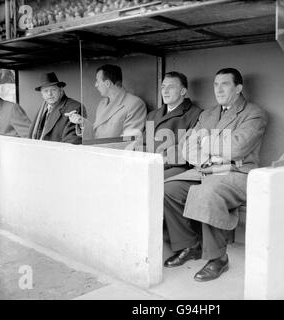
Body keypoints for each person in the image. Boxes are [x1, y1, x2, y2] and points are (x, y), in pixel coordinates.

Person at [163, 68, 268, 282]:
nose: (218, 89)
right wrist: (207, 160)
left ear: (238, 88)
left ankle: (218, 258)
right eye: (215, 84)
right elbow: (185, 146)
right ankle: (189, 245)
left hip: (238, 172)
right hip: (206, 169)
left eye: (225, 84)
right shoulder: (208, 113)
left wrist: (203, 141)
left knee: (207, 193)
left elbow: (237, 148)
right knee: (168, 189)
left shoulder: (254, 113)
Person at [140, 71, 202, 179]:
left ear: (183, 91)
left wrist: (162, 160)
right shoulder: (152, 115)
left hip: (177, 167)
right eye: (163, 87)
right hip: (150, 164)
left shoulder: (196, 114)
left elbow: (188, 150)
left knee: (147, 179)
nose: (165, 91)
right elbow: (145, 143)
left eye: (171, 87)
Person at [68, 64, 147, 140]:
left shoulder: (135, 104)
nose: (96, 85)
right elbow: (95, 135)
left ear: (107, 83)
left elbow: (129, 141)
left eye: (97, 81)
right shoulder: (102, 103)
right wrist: (81, 122)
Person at [29, 72, 85, 144]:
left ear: (61, 90)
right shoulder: (43, 108)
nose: (49, 94)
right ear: (42, 94)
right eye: (46, 91)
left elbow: (71, 141)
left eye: (53, 90)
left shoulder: (74, 107)